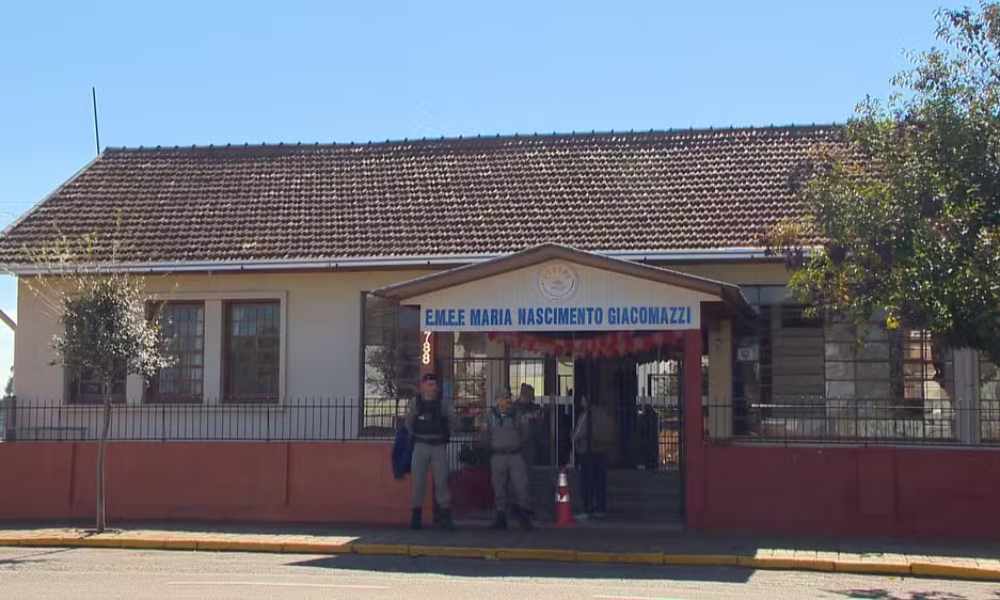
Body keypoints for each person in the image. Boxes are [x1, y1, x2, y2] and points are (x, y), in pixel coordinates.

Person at [405, 372, 456, 530]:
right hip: (420, 445)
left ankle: (445, 516)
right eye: (428, 384)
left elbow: (453, 421)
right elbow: (408, 422)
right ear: (422, 386)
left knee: (441, 482)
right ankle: (416, 517)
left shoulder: (443, 403)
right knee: (418, 482)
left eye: (434, 384)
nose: (431, 387)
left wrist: (446, 434)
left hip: (438, 445)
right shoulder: (415, 402)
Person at [484, 387, 534, 530]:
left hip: (515, 455)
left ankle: (524, 517)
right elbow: (485, 435)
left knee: (521, 486)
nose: (506, 401)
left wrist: (516, 444)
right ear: (497, 400)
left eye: (508, 398)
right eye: (503, 398)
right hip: (497, 455)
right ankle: (501, 517)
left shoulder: (517, 415)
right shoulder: (490, 416)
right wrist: (490, 446)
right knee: (499, 488)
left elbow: (526, 433)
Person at [573, 395, 613, 518]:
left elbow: (579, 433)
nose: (581, 401)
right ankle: (600, 508)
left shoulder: (587, 415)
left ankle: (587, 509)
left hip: (587, 450)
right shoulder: (603, 413)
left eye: (582, 398)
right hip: (601, 449)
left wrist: (573, 438)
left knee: (587, 481)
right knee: (600, 481)